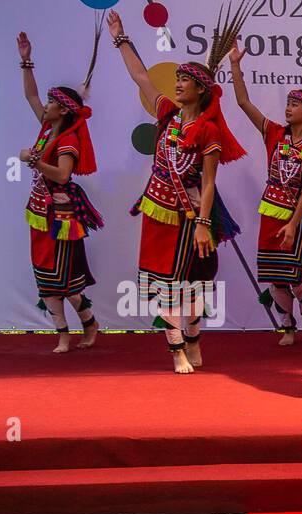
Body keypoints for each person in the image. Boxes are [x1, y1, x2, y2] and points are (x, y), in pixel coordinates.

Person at [106, 7, 248, 374]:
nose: (178, 83)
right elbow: (141, 76)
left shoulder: (208, 131)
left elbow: (208, 181)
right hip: (157, 210)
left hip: (191, 214)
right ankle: (177, 350)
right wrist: (121, 37)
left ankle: (195, 335)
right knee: (164, 283)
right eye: (179, 78)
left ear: (201, 90)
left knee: (195, 282)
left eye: (185, 80)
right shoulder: (167, 113)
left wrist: (203, 223)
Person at [230, 38, 302, 346]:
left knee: (295, 276)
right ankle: (287, 325)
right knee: (273, 275)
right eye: (288, 103)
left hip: (298, 214)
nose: (288, 108)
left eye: (294, 105)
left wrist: (294, 223)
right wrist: (235, 66)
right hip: (270, 209)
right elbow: (244, 103)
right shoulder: (273, 133)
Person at [17, 26, 105, 353]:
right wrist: (27, 62)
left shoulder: (68, 140)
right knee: (45, 279)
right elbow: (30, 96)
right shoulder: (46, 127)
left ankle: (88, 324)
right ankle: (63, 332)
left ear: (64, 110)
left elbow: (64, 175)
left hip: (61, 218)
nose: (47, 105)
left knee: (66, 283)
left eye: (53, 102)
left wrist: (35, 160)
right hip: (39, 213)